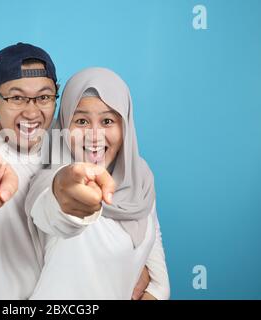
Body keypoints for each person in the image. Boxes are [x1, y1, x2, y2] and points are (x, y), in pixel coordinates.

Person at [0, 43, 153, 299]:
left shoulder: (70, 137)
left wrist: (132, 263)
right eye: (17, 97)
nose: (32, 112)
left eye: (43, 97)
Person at [25, 67, 170, 299]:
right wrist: (65, 191)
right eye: (81, 121)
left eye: (107, 121)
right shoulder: (49, 180)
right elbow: (51, 211)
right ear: (63, 126)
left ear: (126, 126)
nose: (95, 135)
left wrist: (153, 288)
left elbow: (159, 282)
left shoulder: (139, 178)